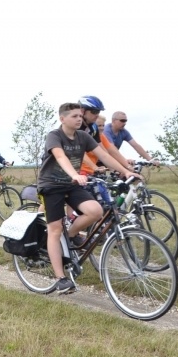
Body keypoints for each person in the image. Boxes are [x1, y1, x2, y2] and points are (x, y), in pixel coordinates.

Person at [37, 102, 139, 294]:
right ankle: (60, 278)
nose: (78, 119)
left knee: (95, 211)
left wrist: (125, 171)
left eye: (79, 116)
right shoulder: (54, 136)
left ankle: (72, 235)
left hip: (71, 184)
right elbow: (60, 157)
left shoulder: (83, 136)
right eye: (74, 116)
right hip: (51, 186)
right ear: (62, 119)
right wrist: (74, 174)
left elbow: (105, 155)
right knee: (55, 229)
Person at [77, 96, 133, 176]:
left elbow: (103, 153)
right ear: (82, 111)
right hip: (73, 171)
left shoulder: (93, 128)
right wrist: (95, 168)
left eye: (98, 112)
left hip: (90, 171)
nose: (97, 115)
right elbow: (79, 153)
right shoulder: (75, 128)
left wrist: (122, 170)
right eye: (94, 111)